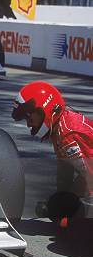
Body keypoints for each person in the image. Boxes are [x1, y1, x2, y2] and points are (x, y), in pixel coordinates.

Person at [12, 81, 92, 221]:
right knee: (55, 206)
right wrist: (62, 199)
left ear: (44, 110)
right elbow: (65, 170)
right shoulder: (59, 129)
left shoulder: (69, 134)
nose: (29, 124)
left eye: (29, 118)